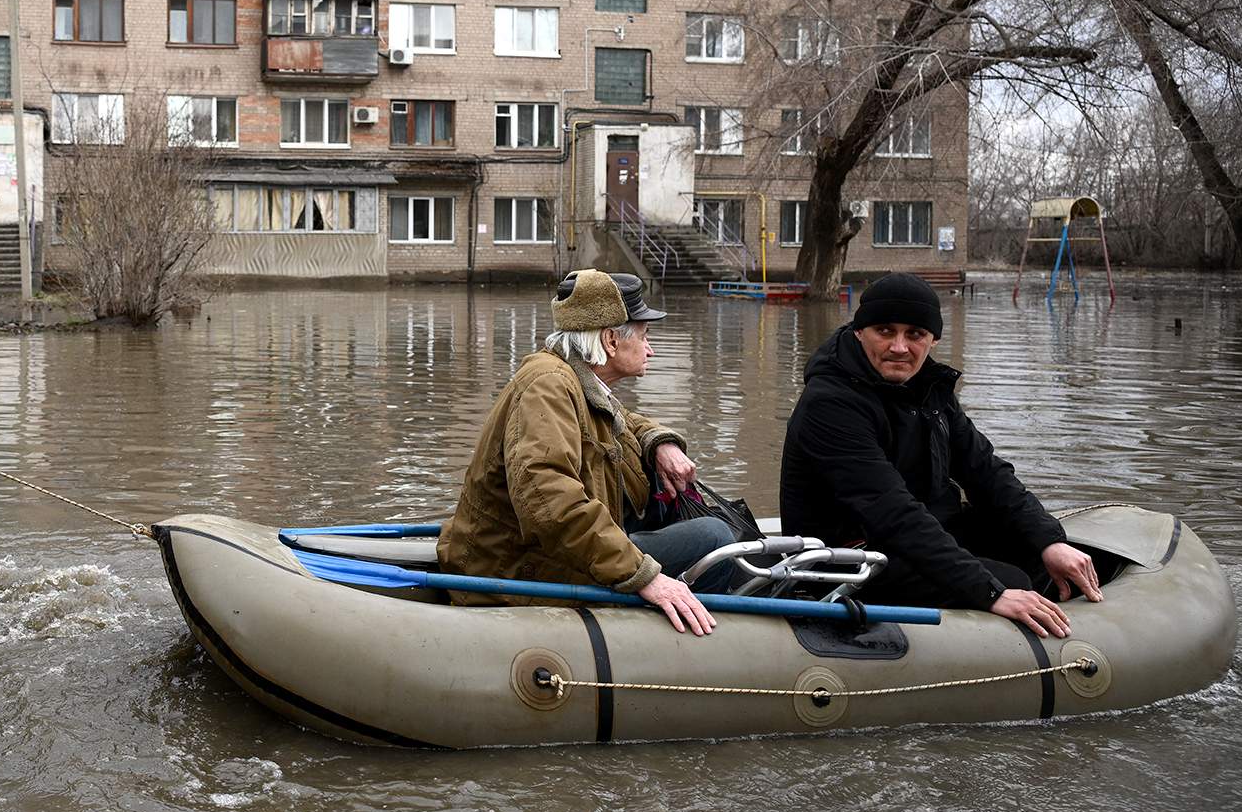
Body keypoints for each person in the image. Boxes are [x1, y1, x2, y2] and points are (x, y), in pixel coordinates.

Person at [779, 272, 1105, 638]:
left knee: (1035, 552)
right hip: (852, 556)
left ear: (932, 339)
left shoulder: (930, 389)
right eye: (885, 331)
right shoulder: (831, 404)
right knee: (1011, 580)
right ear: (860, 332)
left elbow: (986, 470)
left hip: (918, 534)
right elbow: (892, 512)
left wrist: (1049, 539)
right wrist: (991, 591)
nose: (899, 347)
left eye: (914, 334)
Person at [438, 269, 736, 635]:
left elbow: (624, 420)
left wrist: (661, 442)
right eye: (644, 336)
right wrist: (643, 576)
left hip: (547, 555)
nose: (650, 348)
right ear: (611, 340)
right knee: (715, 538)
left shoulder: (577, 380)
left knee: (707, 530)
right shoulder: (548, 387)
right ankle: (696, 640)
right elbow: (550, 503)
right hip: (520, 569)